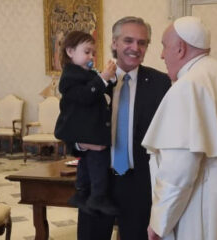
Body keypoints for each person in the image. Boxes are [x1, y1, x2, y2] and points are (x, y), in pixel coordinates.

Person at [142, 16, 217, 240]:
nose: (161, 55)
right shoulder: (216, 72)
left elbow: (180, 168)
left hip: (208, 197)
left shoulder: (187, 86)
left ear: (180, 49)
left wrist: (159, 221)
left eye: (164, 46)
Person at [76, 16, 171, 240]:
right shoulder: (91, 82)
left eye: (142, 42)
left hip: (138, 184)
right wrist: (79, 143)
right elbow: (66, 127)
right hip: (98, 182)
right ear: (114, 43)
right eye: (128, 40)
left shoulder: (161, 83)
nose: (135, 48)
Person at [54, 30, 118, 215]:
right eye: (87, 51)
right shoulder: (70, 75)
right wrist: (102, 78)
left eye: (93, 52)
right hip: (81, 128)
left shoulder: (88, 73)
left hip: (89, 128)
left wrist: (110, 78)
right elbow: (86, 96)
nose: (91, 56)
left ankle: (82, 192)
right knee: (98, 160)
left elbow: (101, 90)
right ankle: (98, 196)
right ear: (70, 52)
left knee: (86, 160)